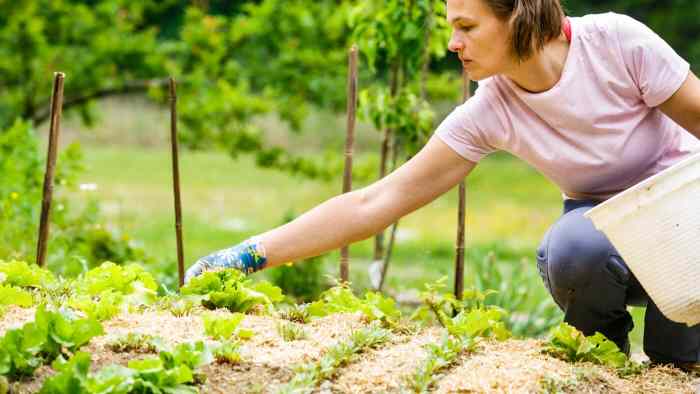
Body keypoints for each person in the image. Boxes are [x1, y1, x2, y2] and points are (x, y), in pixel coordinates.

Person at [185, 0, 700, 371]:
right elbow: (376, 201)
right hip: (606, 238)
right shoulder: (490, 109)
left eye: (466, 26)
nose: (453, 43)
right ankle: (602, 368)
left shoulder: (616, 43)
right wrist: (248, 254)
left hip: (687, 223)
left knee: (678, 359)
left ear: (517, 16)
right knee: (572, 247)